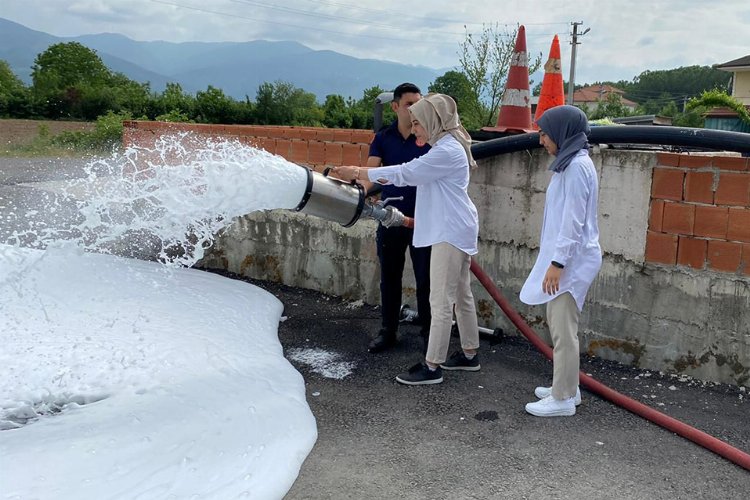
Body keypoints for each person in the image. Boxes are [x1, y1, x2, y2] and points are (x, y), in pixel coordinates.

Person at [332, 93, 480, 385]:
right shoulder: (448, 144)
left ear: (433, 120)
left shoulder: (446, 150)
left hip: (448, 232)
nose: (415, 130)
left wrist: (360, 172)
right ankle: (470, 353)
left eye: (418, 124)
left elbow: (406, 173)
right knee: (461, 295)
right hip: (454, 227)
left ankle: (432, 365)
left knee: (440, 301)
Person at [520, 105, 602, 417]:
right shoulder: (571, 163)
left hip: (572, 260)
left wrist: (558, 263)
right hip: (569, 258)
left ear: (561, 132)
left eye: (544, 133)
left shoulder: (578, 167)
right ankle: (567, 385)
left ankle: (564, 397)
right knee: (559, 324)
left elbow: (573, 222)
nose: (541, 139)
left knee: (563, 328)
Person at [364, 83, 432, 354]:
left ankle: (430, 337)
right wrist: (362, 193)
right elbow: (370, 173)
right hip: (391, 217)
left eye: (419, 103)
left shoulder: (428, 138)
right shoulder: (383, 137)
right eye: (409, 104)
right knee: (390, 277)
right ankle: (388, 331)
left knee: (425, 279)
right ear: (395, 107)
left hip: (424, 219)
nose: (415, 109)